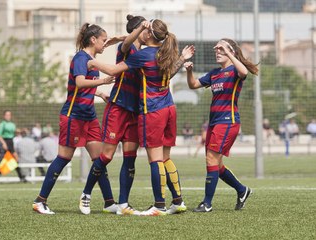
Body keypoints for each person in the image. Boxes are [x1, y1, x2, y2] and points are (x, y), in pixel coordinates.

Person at [89, 19, 195, 216]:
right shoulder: (167, 52)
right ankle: (178, 201)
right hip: (169, 107)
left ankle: (159, 205)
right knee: (165, 157)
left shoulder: (144, 55)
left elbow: (113, 70)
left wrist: (92, 61)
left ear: (147, 34)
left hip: (152, 110)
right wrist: (182, 58)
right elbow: (170, 73)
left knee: (155, 160)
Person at [32, 23, 115, 215]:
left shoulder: (91, 58)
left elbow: (86, 86)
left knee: (99, 159)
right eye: (103, 40)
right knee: (64, 157)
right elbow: (79, 82)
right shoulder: (81, 57)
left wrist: (100, 93)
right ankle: (40, 201)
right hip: (73, 116)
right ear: (93, 40)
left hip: (89, 116)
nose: (105, 44)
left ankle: (109, 202)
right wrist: (102, 81)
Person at [79, 14, 145, 216]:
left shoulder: (144, 53)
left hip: (134, 112)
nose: (148, 32)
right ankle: (86, 194)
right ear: (138, 30)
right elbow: (126, 43)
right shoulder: (126, 48)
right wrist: (140, 28)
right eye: (145, 29)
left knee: (130, 158)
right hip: (117, 108)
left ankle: (123, 204)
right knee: (106, 156)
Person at [184, 38, 258, 212]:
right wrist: (190, 71)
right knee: (215, 164)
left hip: (228, 121)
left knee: (211, 159)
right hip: (214, 123)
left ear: (230, 51)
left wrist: (229, 52)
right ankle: (242, 190)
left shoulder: (235, 70)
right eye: (216, 49)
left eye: (221, 49)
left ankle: (207, 203)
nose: (217, 51)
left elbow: (244, 72)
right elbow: (193, 85)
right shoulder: (214, 73)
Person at [0, 110, 26, 182]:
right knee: (4, 161)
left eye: (9, 115)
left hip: (11, 142)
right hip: (5, 142)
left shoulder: (12, 124)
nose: (8, 116)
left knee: (15, 160)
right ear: (4, 116)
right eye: (7, 115)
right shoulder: (2, 124)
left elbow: (15, 131)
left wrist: (21, 131)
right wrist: (4, 143)